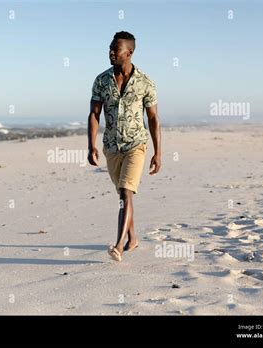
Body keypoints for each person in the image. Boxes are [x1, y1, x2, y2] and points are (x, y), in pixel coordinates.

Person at [87, 31, 162, 262]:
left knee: (126, 192)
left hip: (136, 145)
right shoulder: (101, 80)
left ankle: (118, 245)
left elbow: (153, 119)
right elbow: (94, 114)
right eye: (109, 47)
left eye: (115, 49)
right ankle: (133, 238)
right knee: (123, 192)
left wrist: (158, 152)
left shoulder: (146, 83)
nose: (110, 52)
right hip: (111, 146)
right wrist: (91, 146)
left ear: (129, 52)